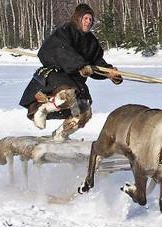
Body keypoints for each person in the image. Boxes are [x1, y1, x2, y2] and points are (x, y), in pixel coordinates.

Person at [19, 3, 122, 141]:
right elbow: (61, 50)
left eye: (91, 19)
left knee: (85, 110)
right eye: (85, 18)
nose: (88, 22)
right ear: (78, 19)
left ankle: (60, 135)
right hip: (55, 75)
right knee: (67, 95)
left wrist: (109, 73)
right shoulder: (65, 31)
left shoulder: (91, 41)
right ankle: (41, 109)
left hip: (75, 81)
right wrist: (80, 65)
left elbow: (96, 63)